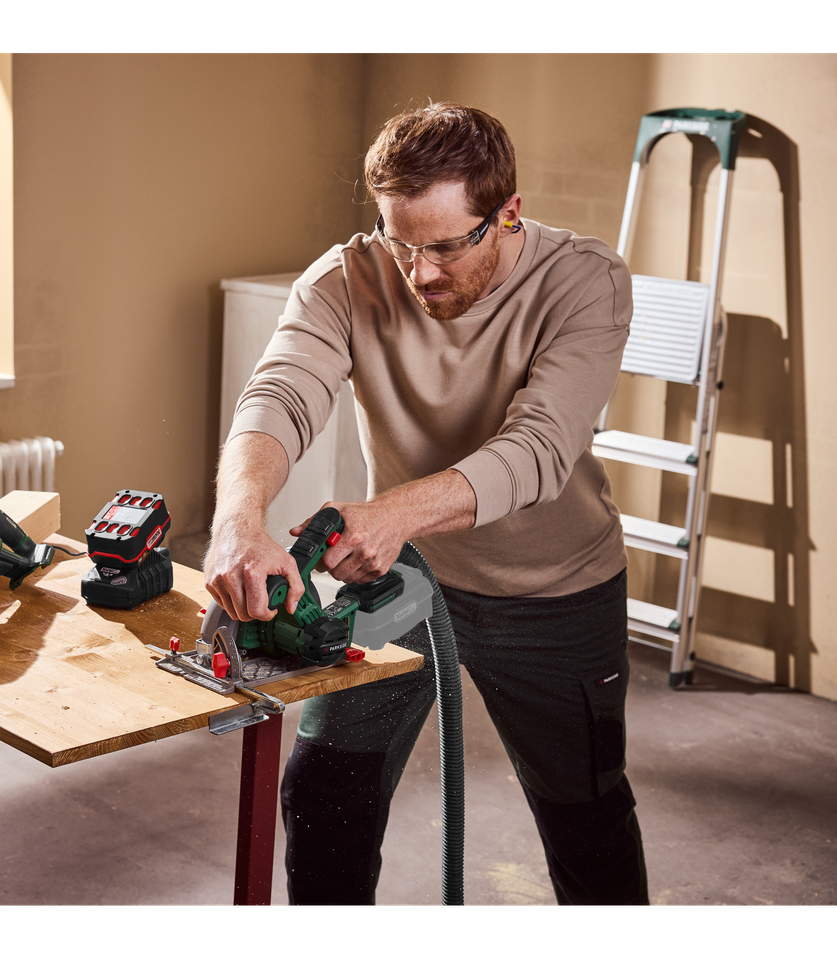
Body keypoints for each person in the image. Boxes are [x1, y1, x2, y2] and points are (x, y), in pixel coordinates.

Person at [204, 102, 648, 906]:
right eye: (400, 243)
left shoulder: (587, 280)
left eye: (446, 245)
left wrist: (393, 514)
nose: (420, 273)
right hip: (408, 583)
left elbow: (539, 449)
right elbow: (278, 396)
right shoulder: (347, 275)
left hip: (557, 591)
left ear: (507, 212)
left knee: (585, 819)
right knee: (323, 794)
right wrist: (238, 520)